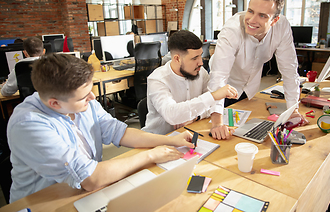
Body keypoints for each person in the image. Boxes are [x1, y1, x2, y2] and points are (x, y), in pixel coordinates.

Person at [7, 53, 194, 203]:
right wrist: (150, 155)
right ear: (55, 103)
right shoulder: (28, 125)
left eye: (91, 89)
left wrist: (169, 139)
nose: (93, 98)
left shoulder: (82, 102)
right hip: (43, 201)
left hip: (84, 193)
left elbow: (120, 132)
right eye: (83, 97)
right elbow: (91, 178)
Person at [208, 0, 308, 140]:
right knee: (221, 132)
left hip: (249, 89)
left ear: (274, 20)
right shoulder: (232, 30)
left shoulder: (282, 28)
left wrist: (292, 110)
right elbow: (219, 77)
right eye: (250, 11)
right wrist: (216, 123)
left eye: (262, 15)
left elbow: (289, 70)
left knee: (244, 134)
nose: (252, 20)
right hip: (223, 87)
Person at [142, 30, 238, 135]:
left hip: (189, 132)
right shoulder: (157, 80)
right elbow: (172, 115)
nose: (201, 62)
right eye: (194, 58)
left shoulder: (200, 72)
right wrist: (213, 95)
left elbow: (211, 106)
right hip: (159, 139)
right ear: (177, 59)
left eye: (200, 55)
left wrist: (195, 117)